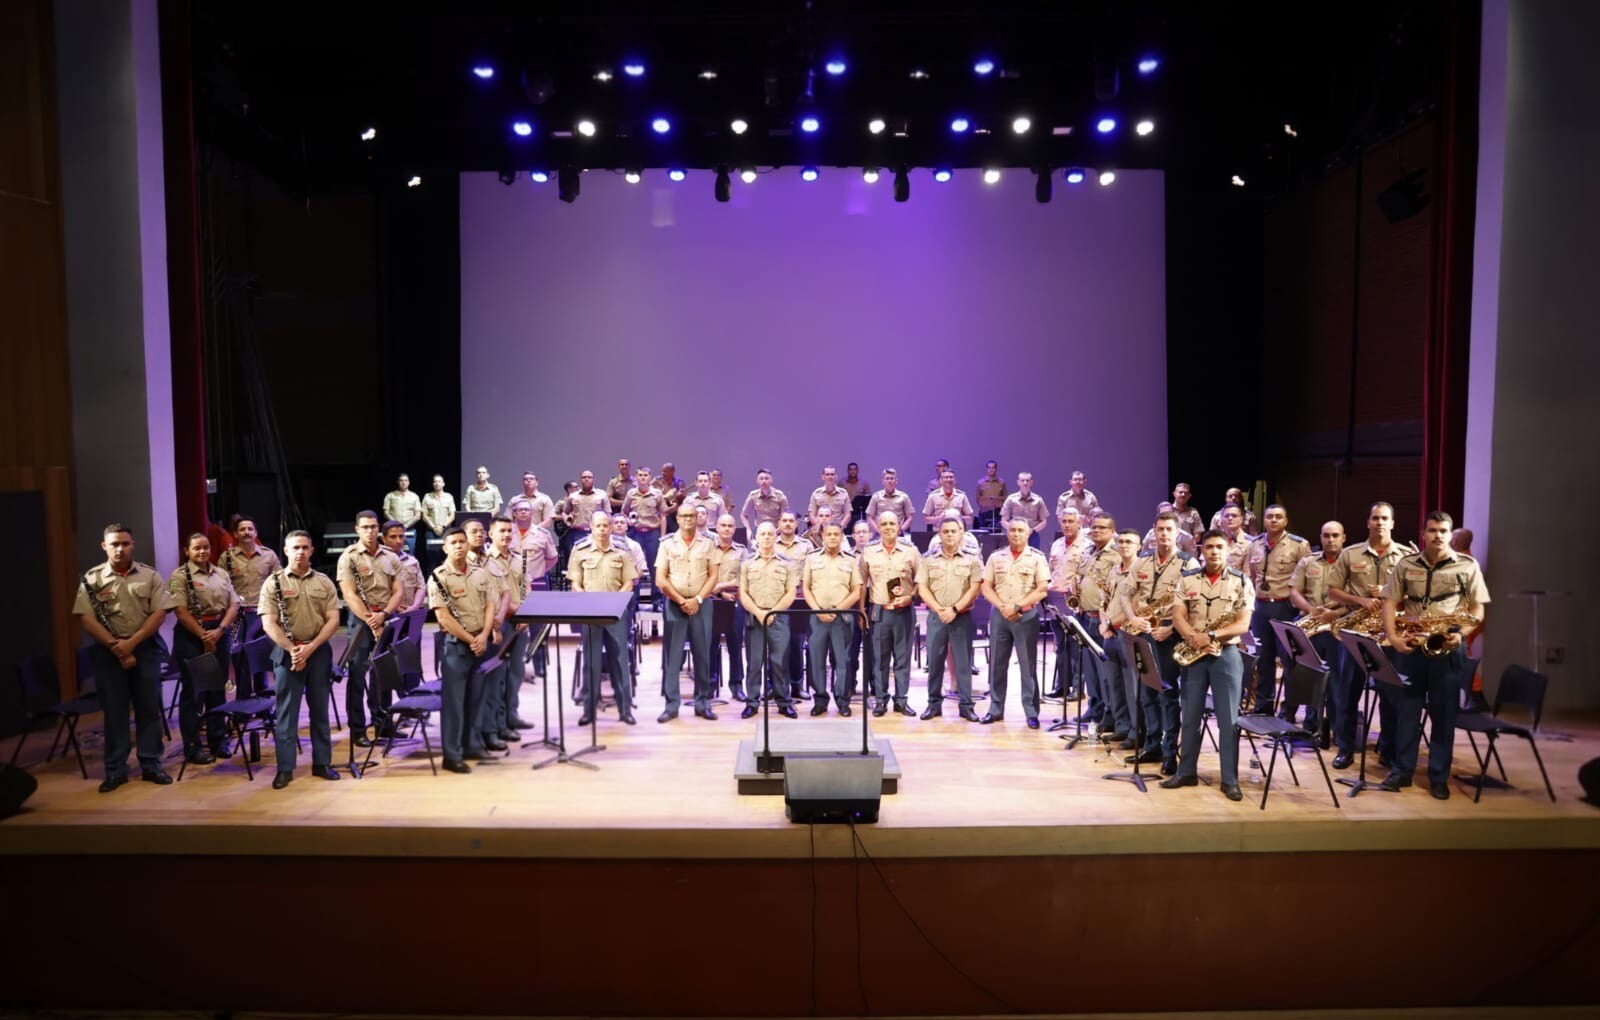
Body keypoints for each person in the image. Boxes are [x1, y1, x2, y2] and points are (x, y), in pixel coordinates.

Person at [1380, 510, 1489, 800]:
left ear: (1449, 534)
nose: (1437, 536)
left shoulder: (1467, 566)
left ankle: (1438, 777)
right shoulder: (1406, 564)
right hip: (1413, 645)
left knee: (1443, 714)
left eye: (1442, 531)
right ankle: (1402, 771)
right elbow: (1390, 602)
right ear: (1423, 533)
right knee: (1407, 711)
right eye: (1432, 530)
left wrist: (1461, 633)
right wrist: (1392, 637)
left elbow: (1478, 609)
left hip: (1449, 645)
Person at [74, 523, 176, 792]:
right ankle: (116, 770)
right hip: (109, 654)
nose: (120, 549)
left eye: (125, 543)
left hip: (144, 649)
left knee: (149, 710)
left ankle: (151, 764)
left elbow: (159, 614)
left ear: (133, 545)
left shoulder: (150, 576)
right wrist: (115, 646)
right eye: (114, 544)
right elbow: (86, 618)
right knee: (115, 713)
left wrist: (131, 643)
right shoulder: (93, 578)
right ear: (104, 546)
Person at [1161, 528, 1256, 801]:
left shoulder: (1241, 581)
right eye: (1209, 547)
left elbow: (1243, 623)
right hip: (1193, 653)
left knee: (1228, 721)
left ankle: (1230, 780)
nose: (1214, 552)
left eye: (1219, 547)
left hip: (1225, 654)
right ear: (1201, 550)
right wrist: (1194, 638)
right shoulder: (1187, 579)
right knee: (1189, 716)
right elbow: (1178, 616)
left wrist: (1211, 636)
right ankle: (1186, 772)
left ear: (1227, 550)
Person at [1326, 501, 1411, 770]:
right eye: (1375, 518)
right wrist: (1360, 601)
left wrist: (1390, 594)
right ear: (1368, 522)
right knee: (1347, 693)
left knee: (1390, 696)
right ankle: (1346, 748)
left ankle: (1387, 749)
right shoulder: (1350, 555)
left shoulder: (1406, 557)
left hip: (1389, 636)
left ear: (1393, 523)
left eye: (1385, 518)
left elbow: (1415, 597)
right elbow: (1332, 591)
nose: (1380, 522)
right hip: (1354, 635)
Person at [259, 530, 342, 788]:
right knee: (286, 712)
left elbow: (333, 620)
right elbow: (268, 623)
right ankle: (285, 768)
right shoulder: (272, 583)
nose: (300, 552)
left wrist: (310, 648)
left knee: (320, 709)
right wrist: (292, 649)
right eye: (295, 548)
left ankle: (322, 763)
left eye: (305, 547)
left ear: (312, 550)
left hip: (317, 653)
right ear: (285, 551)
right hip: (286, 654)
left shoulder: (324, 582)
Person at [1118, 511, 1195, 775]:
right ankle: (1151, 744)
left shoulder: (1188, 563)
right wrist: (1132, 619)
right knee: (1147, 693)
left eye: (1168, 530)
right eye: (1160, 529)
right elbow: (1125, 594)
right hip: (1142, 633)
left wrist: (1170, 627)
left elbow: (1194, 605)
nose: (1163, 534)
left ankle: (1169, 751)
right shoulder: (1142, 562)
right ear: (1154, 532)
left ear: (1177, 533)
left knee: (1167, 694)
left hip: (1167, 636)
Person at [428, 526, 499, 773]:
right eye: (453, 543)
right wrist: (472, 640)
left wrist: (483, 635)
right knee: (454, 705)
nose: (459, 546)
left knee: (476, 699)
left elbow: (490, 606)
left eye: (461, 542)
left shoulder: (480, 574)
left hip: (481, 643)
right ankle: (452, 755)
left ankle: (471, 745)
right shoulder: (438, 577)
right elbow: (444, 618)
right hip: (456, 648)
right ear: (445, 548)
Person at [168, 532, 238, 765]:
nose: (202, 552)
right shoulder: (179, 576)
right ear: (187, 551)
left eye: (206, 548)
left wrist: (219, 631)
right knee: (195, 693)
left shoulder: (221, 573)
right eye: (197, 548)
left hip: (219, 631)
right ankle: (193, 747)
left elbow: (234, 604)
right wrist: (203, 636)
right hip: (191, 636)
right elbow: (180, 611)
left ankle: (219, 740)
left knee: (217, 689)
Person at [335, 511, 402, 747]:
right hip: (361, 622)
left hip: (386, 617)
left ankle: (383, 724)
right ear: (357, 529)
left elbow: (398, 591)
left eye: (374, 527)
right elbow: (349, 594)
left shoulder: (390, 556)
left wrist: (383, 615)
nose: (370, 531)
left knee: (384, 673)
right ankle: (357, 729)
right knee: (358, 675)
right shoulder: (349, 557)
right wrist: (371, 619)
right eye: (365, 527)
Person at [568, 511, 639, 726]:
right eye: (598, 525)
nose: (602, 529)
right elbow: (575, 584)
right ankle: (589, 710)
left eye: (605, 525)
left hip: (616, 613)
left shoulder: (621, 551)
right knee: (591, 663)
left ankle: (625, 709)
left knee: (620, 662)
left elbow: (629, 581)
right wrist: (584, 601)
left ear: (610, 527)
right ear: (591, 526)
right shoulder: (580, 551)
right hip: (590, 614)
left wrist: (615, 602)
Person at [980, 517, 1051, 727]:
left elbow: (1042, 589)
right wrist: (1003, 607)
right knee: (996, 664)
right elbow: (986, 587)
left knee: (1027, 665)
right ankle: (995, 709)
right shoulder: (996, 557)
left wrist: (1018, 606)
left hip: (1025, 616)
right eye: (1013, 530)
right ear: (1007, 533)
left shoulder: (1037, 558)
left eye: (1021, 530)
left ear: (1028, 533)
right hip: (1000, 614)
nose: (1016, 534)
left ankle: (1031, 712)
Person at [1245, 505, 1312, 715]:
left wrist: (1304, 609)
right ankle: (1263, 706)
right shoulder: (1254, 544)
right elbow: (1250, 576)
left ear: (1285, 521)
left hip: (1286, 607)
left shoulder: (1298, 545)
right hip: (1261, 606)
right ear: (1264, 520)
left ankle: (1289, 710)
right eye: (1270, 517)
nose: (1274, 520)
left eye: (1278, 517)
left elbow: (1308, 578)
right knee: (1263, 659)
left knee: (1289, 660)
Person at [916, 517, 984, 721]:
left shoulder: (971, 559)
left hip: (961, 617)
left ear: (961, 533)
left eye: (954, 531)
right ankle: (933, 705)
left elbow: (975, 588)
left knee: (963, 663)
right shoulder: (929, 559)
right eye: (945, 531)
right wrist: (939, 609)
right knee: (935, 662)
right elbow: (922, 588)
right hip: (937, 617)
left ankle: (966, 706)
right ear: (939, 534)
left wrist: (954, 609)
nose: (950, 535)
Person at [1289, 520, 1347, 753]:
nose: (1330, 539)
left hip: (1337, 629)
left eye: (1335, 535)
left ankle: (1334, 729)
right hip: (1311, 627)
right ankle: (1311, 726)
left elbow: (1356, 598)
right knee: (1310, 679)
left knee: (1335, 683)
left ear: (1344, 537)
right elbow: (1294, 591)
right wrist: (1312, 610)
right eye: (1326, 535)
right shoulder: (1307, 561)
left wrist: (1334, 613)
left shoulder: (1351, 562)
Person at [656, 506, 718, 722]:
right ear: (677, 518)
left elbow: (713, 576)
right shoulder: (666, 544)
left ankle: (703, 703)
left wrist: (697, 599)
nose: (688, 519)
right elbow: (660, 579)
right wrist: (682, 600)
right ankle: (671, 705)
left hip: (702, 605)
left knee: (703, 655)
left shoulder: (709, 543)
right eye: (683, 516)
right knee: (672, 657)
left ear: (698, 518)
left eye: (691, 516)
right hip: (675, 604)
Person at [860, 511, 920, 716]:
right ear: (877, 526)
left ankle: (901, 700)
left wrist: (911, 597)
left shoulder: (910, 551)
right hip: (879, 611)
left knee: (902, 659)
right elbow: (862, 583)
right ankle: (880, 700)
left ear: (899, 525)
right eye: (883, 523)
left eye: (891, 523)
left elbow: (921, 581)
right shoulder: (869, 551)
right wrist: (861, 610)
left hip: (903, 612)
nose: (887, 527)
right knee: (879, 659)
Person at [1077, 512, 1129, 736]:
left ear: (1112, 531)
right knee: (1091, 671)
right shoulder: (1089, 551)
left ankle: (1111, 713)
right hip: (1084, 615)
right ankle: (1096, 706)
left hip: (1104, 620)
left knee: (1106, 673)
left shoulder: (1117, 554)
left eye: (1102, 528)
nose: (1096, 530)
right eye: (1094, 527)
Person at [740, 522, 798, 719]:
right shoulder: (747, 563)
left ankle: (783, 702)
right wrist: (758, 612)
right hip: (754, 618)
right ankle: (752, 702)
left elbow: (791, 592)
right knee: (754, 662)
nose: (766, 537)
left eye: (770, 534)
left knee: (780, 661)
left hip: (779, 618)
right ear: (756, 538)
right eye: (762, 534)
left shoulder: (787, 562)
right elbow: (743, 592)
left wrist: (773, 611)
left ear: (775, 537)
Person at [803, 522, 862, 716]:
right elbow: (806, 588)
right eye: (829, 534)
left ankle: (843, 700)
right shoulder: (812, 559)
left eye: (837, 534)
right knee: (816, 660)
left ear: (842, 536)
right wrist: (817, 610)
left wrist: (838, 609)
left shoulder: (850, 560)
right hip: (817, 618)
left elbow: (856, 590)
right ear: (823, 536)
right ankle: (820, 700)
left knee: (842, 661)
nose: (833, 537)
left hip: (842, 618)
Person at [476, 517, 519, 750]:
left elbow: (518, 589)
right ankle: (489, 729)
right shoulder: (485, 561)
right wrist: (503, 618)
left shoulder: (517, 558)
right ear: (491, 534)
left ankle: (502, 723)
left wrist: (523, 614)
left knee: (510, 677)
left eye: (509, 531)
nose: (506, 535)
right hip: (492, 626)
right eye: (501, 531)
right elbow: (492, 598)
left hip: (512, 621)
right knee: (493, 681)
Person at [1046, 507, 1092, 700]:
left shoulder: (1087, 546)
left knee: (1075, 647)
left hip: (1075, 602)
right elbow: (1051, 570)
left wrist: (1073, 587)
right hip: (1056, 601)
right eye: (1064, 521)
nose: (1066, 525)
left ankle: (1077, 688)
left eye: (1070, 521)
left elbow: (1090, 575)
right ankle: (1061, 686)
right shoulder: (1056, 544)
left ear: (1079, 522)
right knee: (1060, 645)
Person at [707, 513, 748, 701]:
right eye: (723, 525)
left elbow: (745, 577)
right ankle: (709, 685)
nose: (726, 529)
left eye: (730, 526)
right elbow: (704, 575)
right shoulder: (708, 549)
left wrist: (721, 586)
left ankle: (737, 685)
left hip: (735, 602)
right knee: (710, 645)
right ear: (716, 527)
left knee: (735, 644)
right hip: (712, 601)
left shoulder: (742, 551)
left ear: (734, 529)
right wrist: (720, 592)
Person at [622, 465, 668, 570]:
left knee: (654, 565)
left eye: (645, 475)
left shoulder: (657, 494)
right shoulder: (631, 494)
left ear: (650, 478)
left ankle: (655, 587)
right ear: (636, 477)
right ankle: (634, 587)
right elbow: (624, 512)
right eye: (640, 475)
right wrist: (628, 521)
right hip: (636, 532)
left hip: (652, 532)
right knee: (634, 564)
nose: (643, 477)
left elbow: (663, 515)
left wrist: (663, 537)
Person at [1000, 472, 1049, 548]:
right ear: (1018, 482)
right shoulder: (1011, 499)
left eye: (1027, 480)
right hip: (1015, 535)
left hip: (1032, 536)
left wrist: (1033, 530)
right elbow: (1003, 521)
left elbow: (1044, 521)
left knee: (1034, 558)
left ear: (1031, 482)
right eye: (1022, 480)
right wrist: (1014, 529)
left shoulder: (1038, 500)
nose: (1025, 483)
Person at [420, 475, 457, 570]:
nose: (437, 483)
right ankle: (430, 582)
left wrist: (443, 527)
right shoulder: (427, 497)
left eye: (439, 481)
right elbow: (424, 515)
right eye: (435, 482)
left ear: (443, 484)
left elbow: (452, 515)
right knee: (432, 560)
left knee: (447, 558)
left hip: (446, 532)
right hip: (431, 532)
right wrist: (434, 528)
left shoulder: (449, 497)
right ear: (433, 484)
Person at [865, 468, 915, 535]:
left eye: (892, 478)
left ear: (896, 481)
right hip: (880, 534)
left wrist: (901, 530)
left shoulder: (904, 497)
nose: (889, 481)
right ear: (883, 481)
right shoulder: (876, 497)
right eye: (887, 478)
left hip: (898, 534)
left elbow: (910, 517)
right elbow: (869, 517)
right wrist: (878, 530)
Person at [740, 470, 789, 538]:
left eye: (766, 478)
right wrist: (748, 529)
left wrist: (779, 529)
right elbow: (743, 515)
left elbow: (785, 516)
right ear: (757, 481)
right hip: (760, 530)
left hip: (776, 530)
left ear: (771, 480)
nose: (764, 481)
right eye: (761, 479)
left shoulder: (779, 495)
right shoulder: (753, 495)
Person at [381, 474, 423, 553]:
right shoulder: (390, 496)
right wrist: (397, 524)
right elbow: (386, 512)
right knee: (392, 553)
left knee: (410, 554)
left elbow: (418, 515)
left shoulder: (414, 496)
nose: (403, 482)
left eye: (405, 480)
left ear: (409, 482)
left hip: (409, 530)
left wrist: (406, 526)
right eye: (401, 480)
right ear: (397, 482)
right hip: (393, 530)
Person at [807, 465, 851, 530]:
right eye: (827, 474)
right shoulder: (816, 493)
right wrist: (820, 528)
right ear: (823, 477)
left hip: (837, 531)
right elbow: (811, 515)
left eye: (832, 474)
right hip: (820, 531)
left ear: (836, 477)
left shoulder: (843, 493)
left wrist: (839, 528)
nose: (830, 477)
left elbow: (848, 515)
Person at [1217, 504, 1253, 571]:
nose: (1230, 518)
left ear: (1241, 519)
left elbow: (1249, 574)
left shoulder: (1250, 543)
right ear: (1221, 519)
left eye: (1234, 515)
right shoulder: (1213, 540)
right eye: (1226, 516)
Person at [975, 460, 1007, 531]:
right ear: (987, 469)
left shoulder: (1001, 482)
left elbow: (1005, 498)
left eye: (993, 467)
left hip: (997, 513)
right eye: (989, 468)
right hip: (984, 513)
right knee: (984, 534)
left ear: (996, 469)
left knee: (997, 533)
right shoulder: (981, 482)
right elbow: (978, 498)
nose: (991, 469)